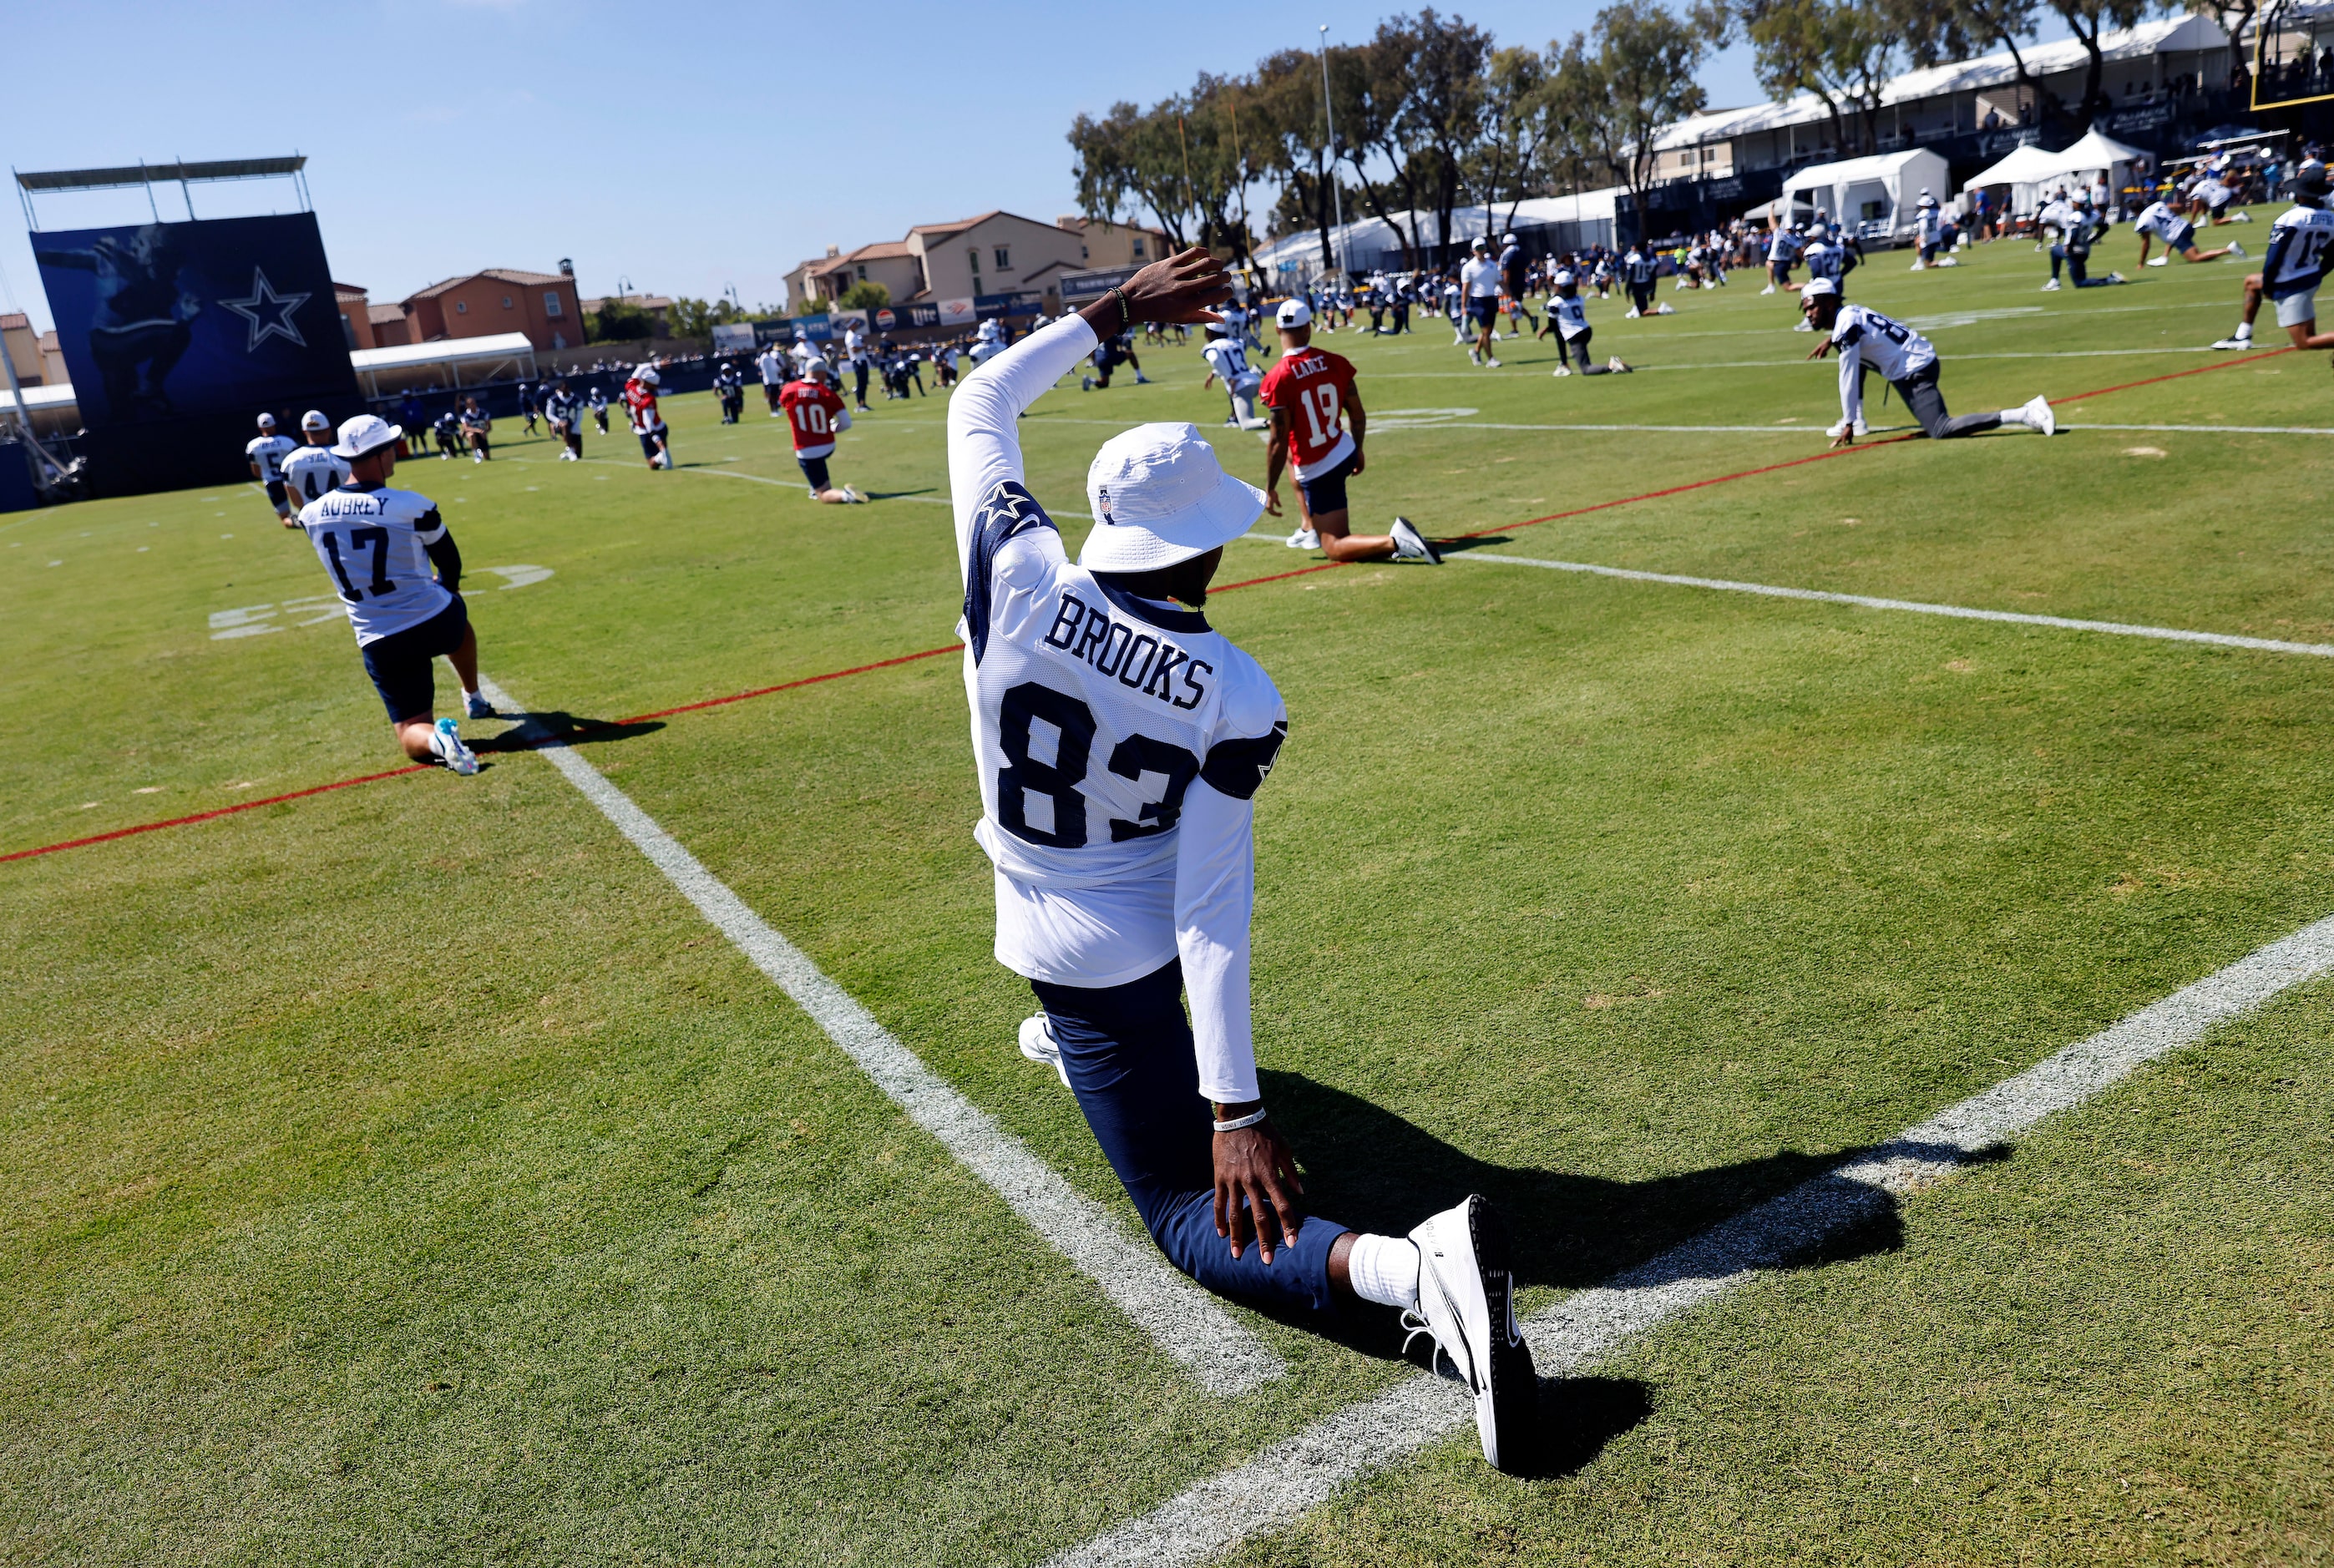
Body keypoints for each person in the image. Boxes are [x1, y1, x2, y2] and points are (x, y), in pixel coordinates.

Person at [947, 247, 1535, 1472]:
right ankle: (1087, 1050)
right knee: (1120, 1038)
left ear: (1106, 523)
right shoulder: (1236, 691)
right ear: (1208, 547)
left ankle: (1406, 1269)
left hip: (1071, 943)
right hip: (1132, 936)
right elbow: (1211, 899)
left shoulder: (1012, 572)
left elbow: (977, 401)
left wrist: (1108, 310)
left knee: (1178, 1212)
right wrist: (1239, 1101)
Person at [294, 413, 490, 774]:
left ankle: (438, 741)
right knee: (456, 613)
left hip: (378, 637)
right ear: (382, 454)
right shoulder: (410, 505)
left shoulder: (311, 514)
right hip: (433, 620)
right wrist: (444, 589)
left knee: (410, 732)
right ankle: (473, 695)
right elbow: (450, 563)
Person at [1260, 299, 1437, 564]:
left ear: (1277, 330)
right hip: (1342, 449)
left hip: (1320, 467)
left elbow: (1278, 440)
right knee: (1292, 459)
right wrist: (1359, 449)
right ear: (1308, 328)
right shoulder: (1335, 362)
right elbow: (1357, 415)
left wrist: (1270, 488)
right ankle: (1308, 524)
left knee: (1333, 545)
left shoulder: (1278, 376)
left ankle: (1396, 541)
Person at [1800, 277, 2054, 444]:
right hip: (1915, 358)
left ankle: (2025, 413)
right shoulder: (1849, 314)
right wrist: (1831, 341)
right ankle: (1859, 418)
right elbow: (1863, 337)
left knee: (1941, 428)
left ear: (1830, 302)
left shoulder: (1845, 328)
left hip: (1914, 369)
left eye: (1813, 307)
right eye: (1806, 310)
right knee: (1853, 357)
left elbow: (1848, 376)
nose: (1809, 314)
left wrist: (1848, 422)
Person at [2213, 160, 2334, 352]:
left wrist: (2269, 286)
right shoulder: (2331, 218)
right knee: (2251, 283)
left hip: (2289, 282)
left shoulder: (2290, 218)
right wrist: (2318, 274)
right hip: (2309, 277)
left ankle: (2243, 336)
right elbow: (2332, 255)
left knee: (2305, 342)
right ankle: (2242, 336)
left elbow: (2274, 258)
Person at [779, 357, 868, 503]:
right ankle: (817, 486)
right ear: (820, 373)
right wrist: (831, 428)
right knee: (818, 469)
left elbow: (788, 406)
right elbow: (846, 424)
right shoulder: (826, 393)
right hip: (827, 445)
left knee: (823, 494)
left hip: (806, 449)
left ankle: (846, 496)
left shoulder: (789, 390)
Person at [1541, 270, 1632, 377]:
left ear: (1559, 286)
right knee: (1564, 336)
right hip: (1586, 330)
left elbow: (1552, 324)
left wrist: (1546, 330)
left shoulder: (1555, 302)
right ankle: (1564, 363)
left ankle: (1612, 366)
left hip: (1574, 335)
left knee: (1586, 369)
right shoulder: (1579, 298)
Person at [2134, 195, 2244, 268]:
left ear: (2134, 212)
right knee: (2170, 235)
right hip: (2186, 226)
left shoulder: (2142, 221)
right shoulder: (2158, 205)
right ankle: (2164, 257)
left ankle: (2229, 250)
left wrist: (2141, 263)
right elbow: (2177, 206)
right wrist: (2179, 214)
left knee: (2195, 258)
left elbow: (2146, 243)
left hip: (2179, 234)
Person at [2047, 198, 2129, 291]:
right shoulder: (2093, 214)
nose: (2072, 204)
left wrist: (2069, 247)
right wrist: (2091, 240)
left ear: (2077, 203)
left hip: (2074, 251)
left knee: (2079, 282)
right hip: (2085, 250)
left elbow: (2075, 232)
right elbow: (2105, 228)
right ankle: (2111, 279)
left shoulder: (2076, 216)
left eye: (2074, 202)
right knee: (2081, 280)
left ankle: (2054, 280)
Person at [1199, 320, 1267, 430]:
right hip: (1254, 381)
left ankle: (1271, 422)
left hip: (1241, 386)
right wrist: (1214, 373)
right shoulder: (1236, 342)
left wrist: (1230, 378)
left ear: (1209, 332)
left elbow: (1215, 359)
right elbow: (1234, 364)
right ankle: (1255, 371)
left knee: (1246, 424)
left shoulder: (1211, 347)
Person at [281, 409, 351, 514]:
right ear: (328, 430)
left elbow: (296, 502)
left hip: (312, 518)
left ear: (304, 431)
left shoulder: (291, 461)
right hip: (343, 514)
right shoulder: (344, 456)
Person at [246, 412, 297, 523]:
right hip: (291, 479)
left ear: (260, 427)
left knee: (284, 518)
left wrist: (267, 475)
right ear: (274, 424)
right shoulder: (287, 442)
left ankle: (294, 522)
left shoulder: (254, 446)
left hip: (272, 482)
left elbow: (256, 472)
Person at [1459, 236, 1503, 367]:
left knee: (1488, 330)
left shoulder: (1491, 265)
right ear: (1473, 251)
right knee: (1485, 330)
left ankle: (1476, 351)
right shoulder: (1469, 267)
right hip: (1477, 301)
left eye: (1482, 248)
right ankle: (1491, 358)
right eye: (1477, 249)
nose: (1480, 251)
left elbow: (1500, 281)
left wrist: (1510, 296)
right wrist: (1463, 306)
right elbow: (1465, 288)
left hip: (1491, 299)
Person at [625, 362, 671, 470]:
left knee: (652, 465)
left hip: (645, 429)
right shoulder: (648, 399)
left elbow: (641, 367)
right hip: (654, 429)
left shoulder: (631, 386)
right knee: (656, 461)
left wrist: (657, 365)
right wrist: (656, 439)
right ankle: (661, 456)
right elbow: (648, 421)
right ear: (649, 384)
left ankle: (661, 456)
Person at [1497, 231, 1537, 336]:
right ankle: (1530, 319)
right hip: (1521, 282)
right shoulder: (1521, 253)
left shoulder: (1508, 255)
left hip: (1512, 284)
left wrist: (1505, 285)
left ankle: (1515, 330)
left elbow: (1507, 272)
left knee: (1512, 305)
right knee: (1515, 304)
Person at [544, 378, 584, 460]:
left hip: (573, 424)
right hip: (558, 425)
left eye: (567, 388)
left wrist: (576, 426)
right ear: (560, 389)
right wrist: (558, 421)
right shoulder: (554, 400)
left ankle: (568, 451)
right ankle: (570, 449)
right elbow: (549, 414)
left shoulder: (577, 400)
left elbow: (579, 416)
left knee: (579, 455)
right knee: (565, 425)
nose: (566, 390)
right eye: (564, 388)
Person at [458, 397, 493, 463]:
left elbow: (489, 427)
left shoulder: (483, 413)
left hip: (482, 435)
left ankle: (481, 451)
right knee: (471, 435)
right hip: (472, 434)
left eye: (474, 403)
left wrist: (485, 432)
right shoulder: (465, 416)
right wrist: (478, 431)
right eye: (471, 403)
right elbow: (466, 428)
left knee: (487, 457)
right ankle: (476, 453)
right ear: (467, 405)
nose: (473, 405)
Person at [757, 341, 787, 414]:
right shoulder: (764, 358)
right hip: (769, 380)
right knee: (771, 396)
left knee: (775, 395)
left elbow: (775, 367)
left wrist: (779, 369)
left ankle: (776, 410)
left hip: (775, 379)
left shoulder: (770, 356)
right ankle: (773, 411)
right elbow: (768, 370)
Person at [715, 359, 746, 423]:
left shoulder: (736, 379)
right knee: (725, 401)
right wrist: (721, 397)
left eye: (728, 370)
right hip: (727, 399)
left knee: (736, 419)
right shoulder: (719, 380)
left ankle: (731, 419)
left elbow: (741, 391)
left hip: (736, 398)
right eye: (725, 371)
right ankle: (726, 416)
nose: (727, 372)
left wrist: (736, 396)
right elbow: (715, 391)